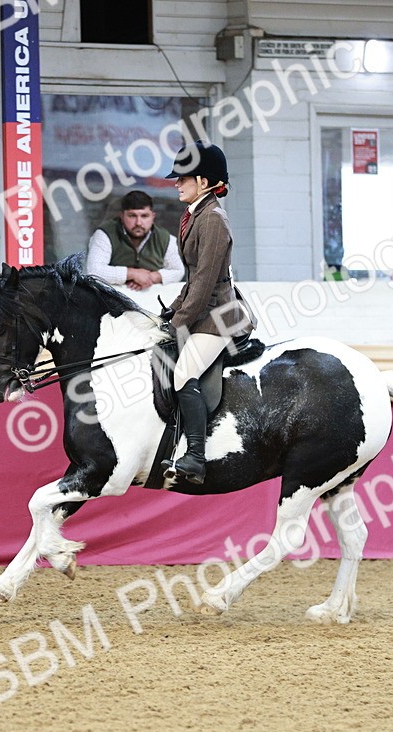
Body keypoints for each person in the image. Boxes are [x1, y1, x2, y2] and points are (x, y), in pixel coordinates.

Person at [159, 141, 254, 484]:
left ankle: (196, 458)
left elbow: (205, 282)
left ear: (203, 181)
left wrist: (180, 324)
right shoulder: (195, 215)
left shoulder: (213, 219)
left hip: (220, 317)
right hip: (205, 310)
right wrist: (171, 312)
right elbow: (193, 277)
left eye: (182, 177)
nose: (176, 183)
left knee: (183, 372)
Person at [85, 190, 184, 290]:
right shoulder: (105, 234)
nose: (138, 223)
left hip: (152, 299)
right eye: (132, 216)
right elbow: (94, 271)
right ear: (122, 216)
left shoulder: (165, 238)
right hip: (111, 299)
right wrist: (133, 274)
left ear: (153, 216)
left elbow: (178, 271)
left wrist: (152, 277)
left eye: (144, 216)